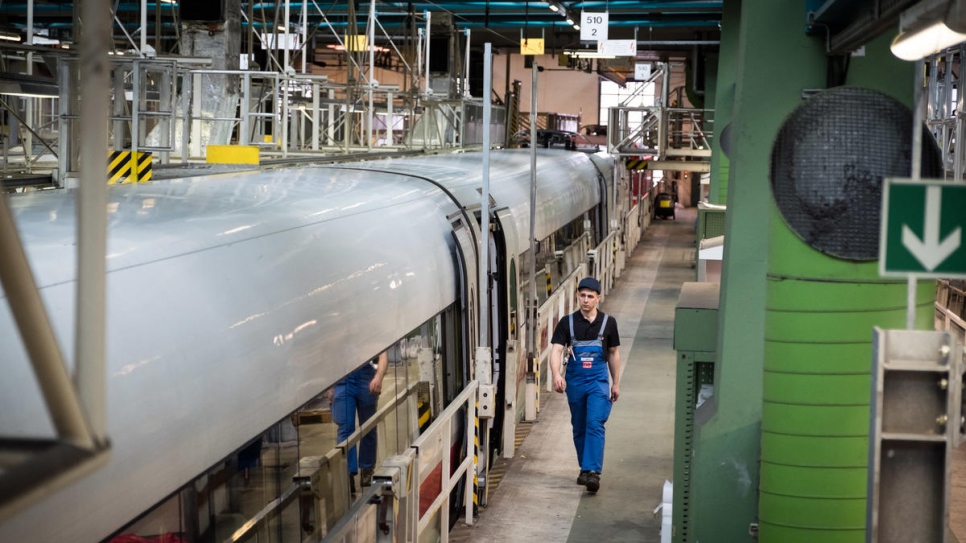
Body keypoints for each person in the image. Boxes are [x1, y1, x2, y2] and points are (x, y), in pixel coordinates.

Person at [549, 277, 621, 493]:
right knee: (579, 426)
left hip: (598, 381)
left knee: (595, 423)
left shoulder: (609, 323)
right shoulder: (566, 323)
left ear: (598, 298)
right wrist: (556, 374)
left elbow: (613, 353)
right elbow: (556, 350)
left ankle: (593, 473)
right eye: (582, 295)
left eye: (590, 296)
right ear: (577, 297)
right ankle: (585, 469)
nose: (586, 300)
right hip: (576, 382)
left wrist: (615, 383)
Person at [330, 352, 388, 492]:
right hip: (342, 379)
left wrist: (378, 377)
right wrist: (329, 385)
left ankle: (367, 469)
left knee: (368, 427)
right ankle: (348, 472)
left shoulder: (368, 330)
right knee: (345, 428)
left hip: (365, 377)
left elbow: (383, 354)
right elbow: (328, 354)